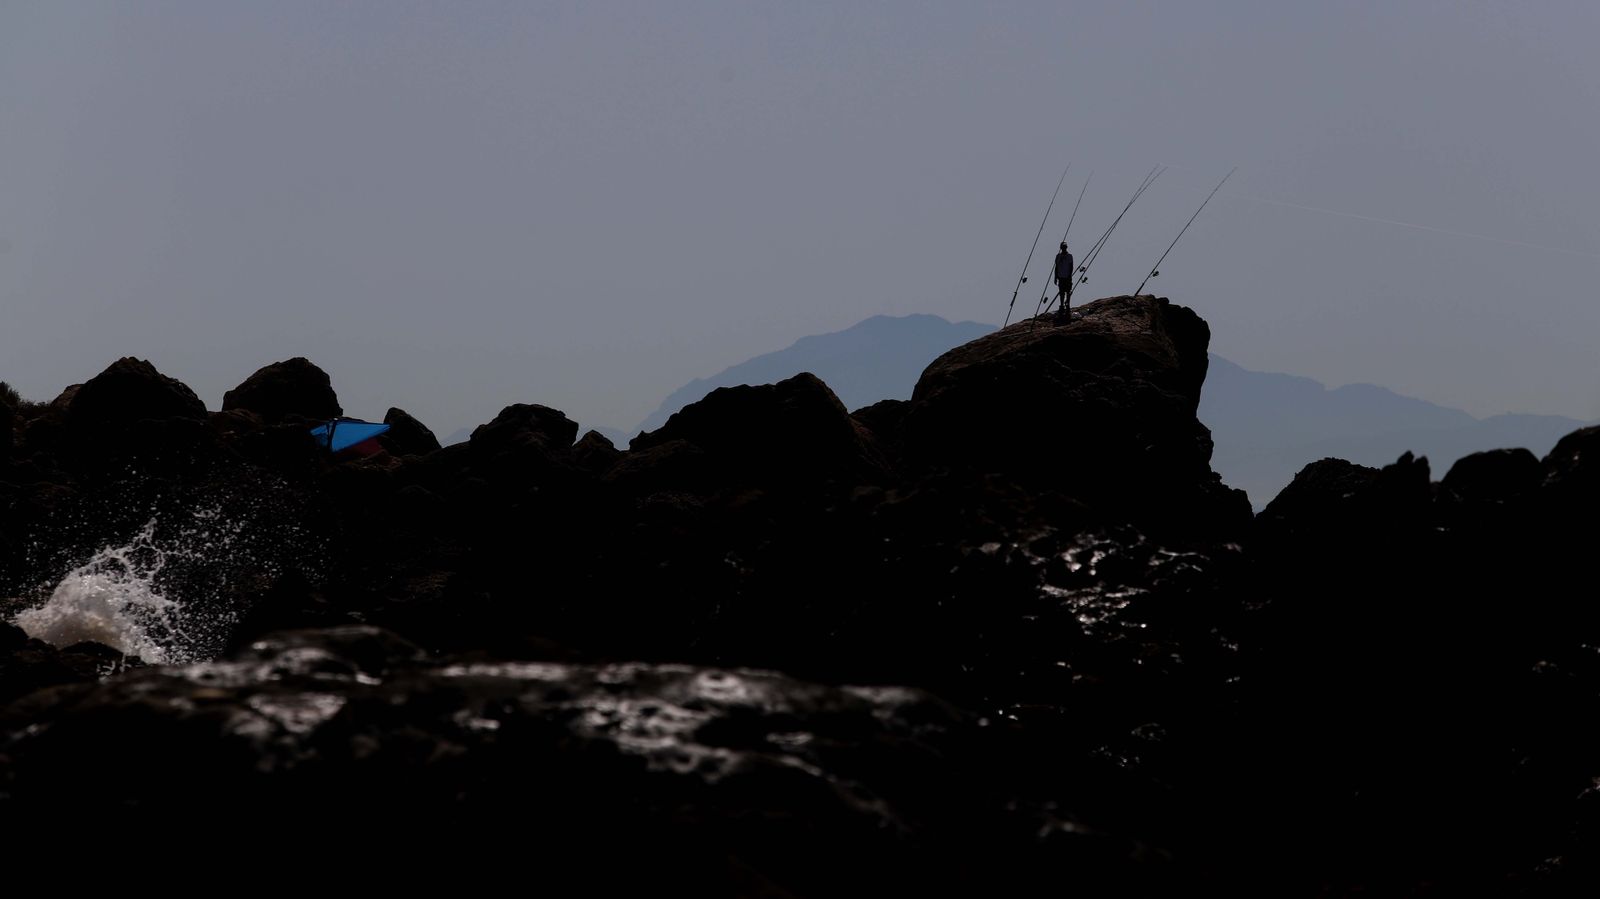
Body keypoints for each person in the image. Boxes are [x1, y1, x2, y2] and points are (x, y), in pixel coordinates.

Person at [1052, 242, 1074, 321]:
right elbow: (1056, 267)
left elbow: (1071, 267)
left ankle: (1067, 304)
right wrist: (1055, 277)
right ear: (1061, 248)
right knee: (1061, 293)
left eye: (1065, 247)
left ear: (1066, 247)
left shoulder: (1069, 256)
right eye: (1063, 247)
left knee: (1068, 292)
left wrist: (1070, 275)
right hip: (1060, 277)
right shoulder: (1058, 256)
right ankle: (1062, 305)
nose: (1064, 248)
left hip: (1067, 277)